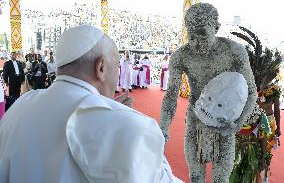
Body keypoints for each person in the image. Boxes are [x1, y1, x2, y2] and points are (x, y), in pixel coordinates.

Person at [0, 25, 182, 183]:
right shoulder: (129, 124)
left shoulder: (20, 105)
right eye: (116, 66)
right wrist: (119, 116)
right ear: (101, 67)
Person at [159, 3, 257, 183]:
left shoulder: (234, 52)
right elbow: (171, 96)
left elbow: (252, 93)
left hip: (224, 123)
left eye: (202, 34)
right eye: (191, 36)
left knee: (221, 179)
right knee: (196, 177)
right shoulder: (181, 56)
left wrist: (237, 124)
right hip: (195, 120)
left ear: (216, 28)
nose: (196, 43)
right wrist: (163, 129)